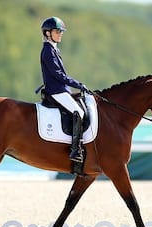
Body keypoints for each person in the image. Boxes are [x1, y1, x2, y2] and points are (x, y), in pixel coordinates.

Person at [40, 16, 88, 163]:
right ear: (48, 33)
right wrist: (77, 83)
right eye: (57, 31)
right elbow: (58, 74)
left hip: (61, 89)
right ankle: (75, 150)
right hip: (56, 90)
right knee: (78, 112)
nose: (60, 33)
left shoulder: (54, 49)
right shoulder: (48, 50)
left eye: (61, 31)